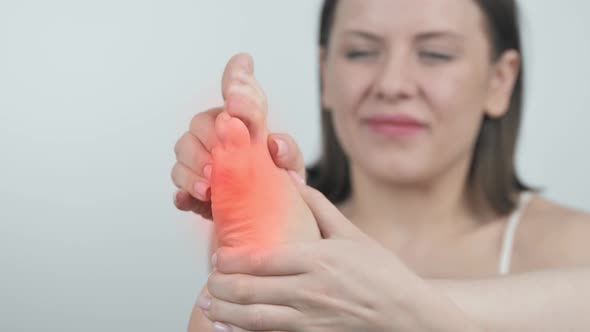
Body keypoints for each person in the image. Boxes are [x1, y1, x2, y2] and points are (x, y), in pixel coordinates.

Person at [171, 0, 590, 331]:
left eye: (435, 54)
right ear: (326, 74)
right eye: (361, 51)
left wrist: (396, 306)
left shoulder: (573, 247)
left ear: (500, 81)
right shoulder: (274, 255)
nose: (392, 84)